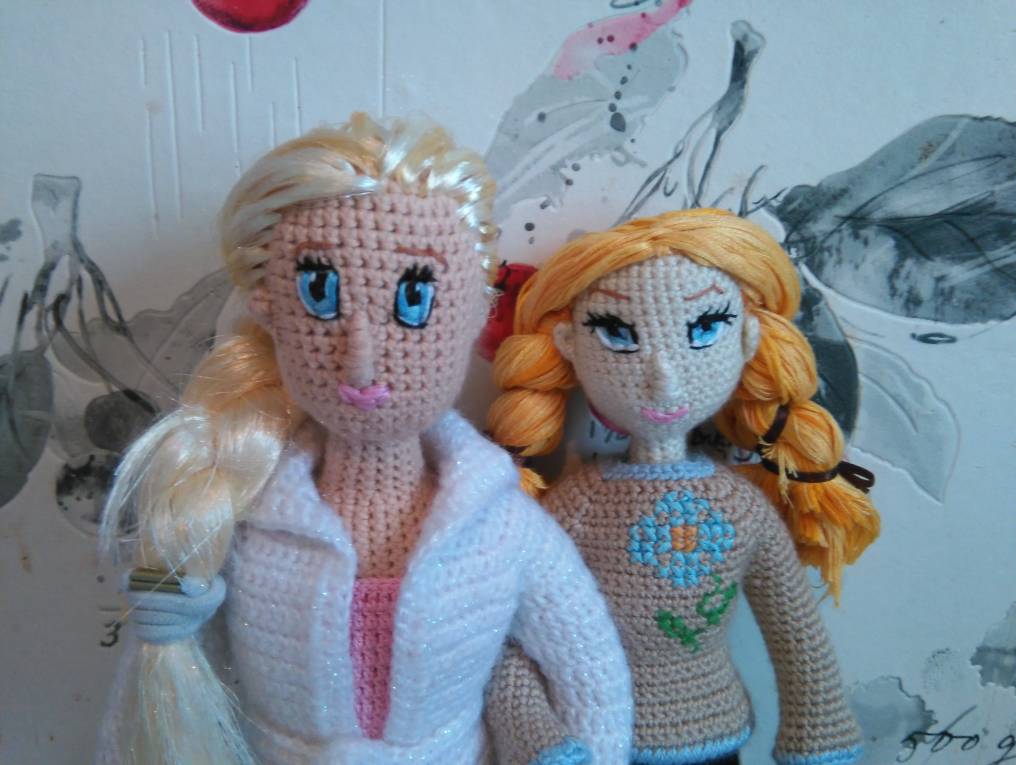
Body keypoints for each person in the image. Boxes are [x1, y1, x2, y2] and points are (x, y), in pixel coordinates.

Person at [96, 113, 632, 765]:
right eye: (321, 294)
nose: (361, 358)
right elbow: (191, 686)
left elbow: (587, 665)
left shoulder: (499, 525)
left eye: (414, 301)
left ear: (476, 313)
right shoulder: (242, 507)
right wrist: (175, 615)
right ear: (271, 310)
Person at [485, 209, 879, 765]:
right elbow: (512, 626)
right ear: (569, 344)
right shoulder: (578, 503)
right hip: (600, 733)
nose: (662, 377)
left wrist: (820, 726)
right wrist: (532, 729)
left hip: (713, 724)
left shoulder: (739, 506)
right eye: (618, 334)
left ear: (747, 339)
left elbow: (796, 630)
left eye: (704, 329)